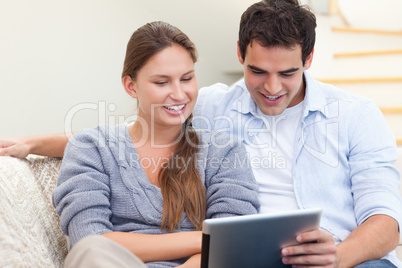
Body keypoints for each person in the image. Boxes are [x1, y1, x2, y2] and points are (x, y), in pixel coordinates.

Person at [1, 0, 401, 267]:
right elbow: (136, 134)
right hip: (251, 256)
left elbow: (387, 219)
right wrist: (35, 144)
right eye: (258, 71)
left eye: (288, 73)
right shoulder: (213, 105)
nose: (272, 88)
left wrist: (340, 256)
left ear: (308, 60)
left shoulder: (354, 115)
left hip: (340, 256)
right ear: (241, 55)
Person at [52, 21, 260, 267]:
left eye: (186, 79)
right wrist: (204, 238)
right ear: (131, 86)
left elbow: (233, 245)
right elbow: (89, 241)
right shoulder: (91, 147)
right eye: (162, 83)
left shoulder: (225, 151)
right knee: (92, 250)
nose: (179, 94)